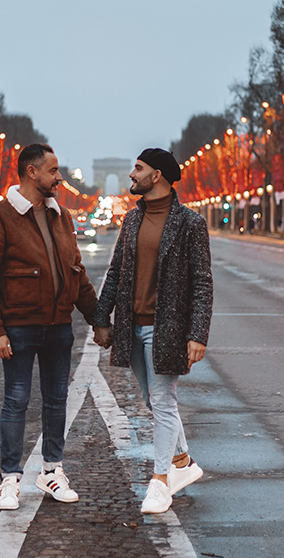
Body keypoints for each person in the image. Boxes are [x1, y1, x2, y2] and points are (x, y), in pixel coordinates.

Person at [0, 143, 99, 511]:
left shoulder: (62, 217)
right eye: (54, 171)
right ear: (31, 172)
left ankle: (51, 471)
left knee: (57, 401)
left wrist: (98, 320)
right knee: (17, 400)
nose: (59, 178)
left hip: (59, 325)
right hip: (19, 326)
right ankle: (9, 477)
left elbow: (77, 273)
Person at [93, 148, 213, 515]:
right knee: (153, 401)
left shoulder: (191, 223)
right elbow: (116, 271)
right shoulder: (131, 220)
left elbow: (202, 283)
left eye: (139, 168)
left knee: (162, 402)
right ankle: (182, 461)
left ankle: (160, 482)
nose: (132, 174)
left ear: (157, 175)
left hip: (168, 329)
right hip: (132, 327)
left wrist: (198, 333)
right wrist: (101, 317)